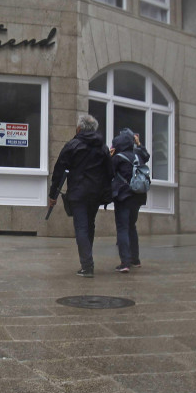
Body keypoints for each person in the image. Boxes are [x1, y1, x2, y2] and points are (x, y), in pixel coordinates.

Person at [48, 114, 113, 277]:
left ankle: (87, 265)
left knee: (82, 227)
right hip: (96, 193)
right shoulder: (103, 147)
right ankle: (87, 261)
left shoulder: (72, 145)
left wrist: (53, 194)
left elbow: (59, 170)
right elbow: (109, 172)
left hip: (78, 192)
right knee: (89, 225)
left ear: (79, 128)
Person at [111, 128, 150, 272]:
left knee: (122, 228)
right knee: (131, 226)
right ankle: (135, 259)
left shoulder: (118, 157)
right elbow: (146, 155)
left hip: (123, 197)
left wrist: (110, 155)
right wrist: (139, 144)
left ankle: (125, 263)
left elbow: (109, 172)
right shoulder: (138, 156)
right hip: (138, 197)